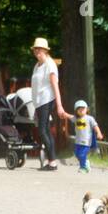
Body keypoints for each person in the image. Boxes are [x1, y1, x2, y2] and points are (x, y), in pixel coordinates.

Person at [30, 37, 66, 171]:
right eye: (35, 49)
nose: (37, 51)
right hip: (39, 103)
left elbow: (55, 85)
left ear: (45, 50)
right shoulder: (37, 66)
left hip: (47, 100)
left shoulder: (50, 64)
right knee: (45, 130)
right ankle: (52, 161)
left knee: (43, 130)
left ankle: (52, 161)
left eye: (40, 49)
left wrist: (59, 105)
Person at [63, 99, 104, 173]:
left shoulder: (90, 118)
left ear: (87, 109)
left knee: (82, 154)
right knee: (77, 154)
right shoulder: (76, 119)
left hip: (86, 142)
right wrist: (64, 113)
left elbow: (95, 126)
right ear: (76, 111)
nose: (81, 111)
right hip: (78, 141)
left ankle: (83, 168)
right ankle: (86, 162)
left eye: (83, 109)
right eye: (79, 109)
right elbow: (69, 116)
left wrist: (99, 133)